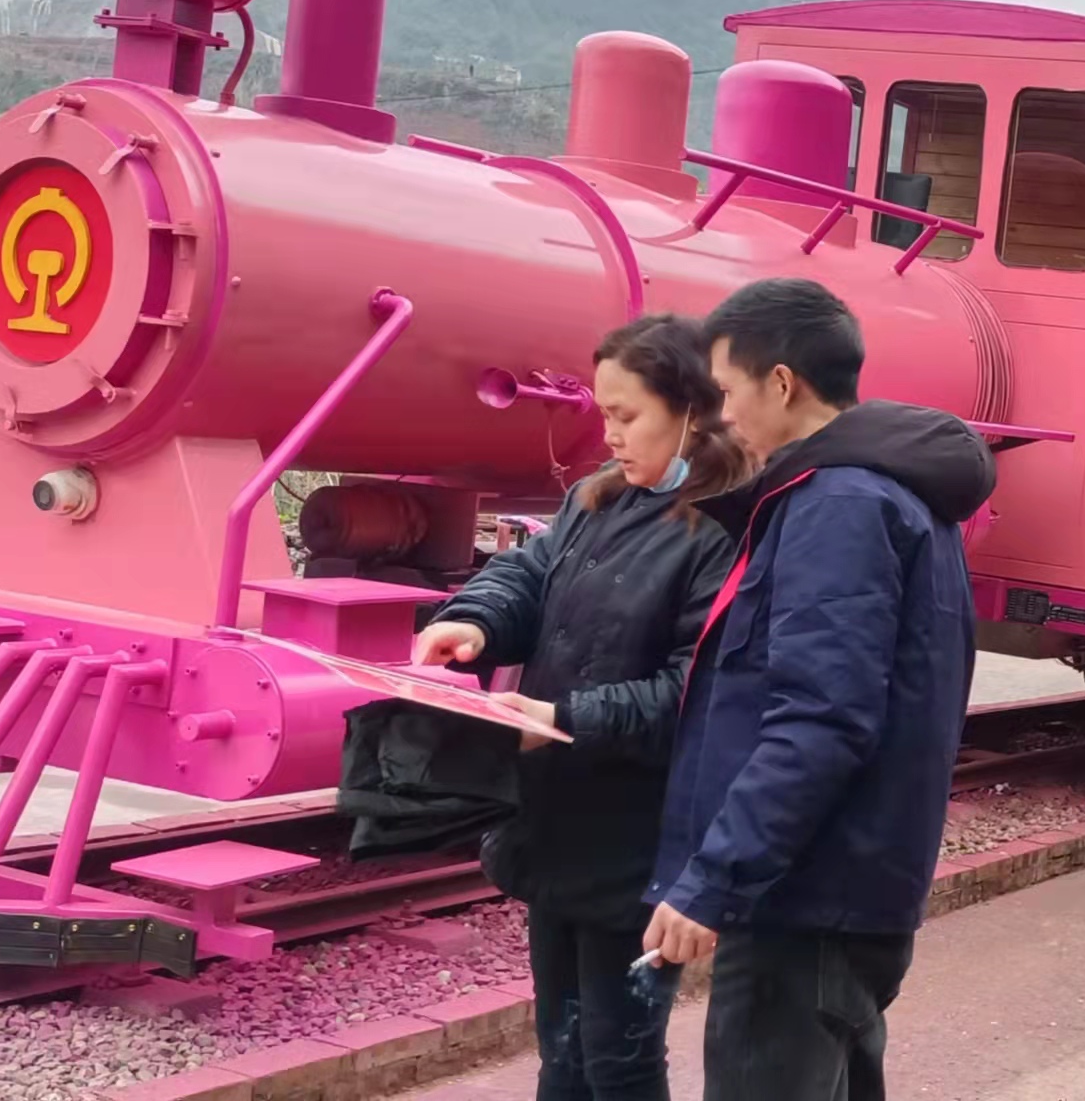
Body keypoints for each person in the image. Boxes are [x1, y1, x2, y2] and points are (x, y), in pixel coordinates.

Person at [639, 277, 994, 1101]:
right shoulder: (890, 492)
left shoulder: (837, 503)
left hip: (806, 900)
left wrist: (715, 880)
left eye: (726, 390)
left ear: (782, 382)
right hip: (846, 885)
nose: (721, 414)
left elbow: (821, 718)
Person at [410, 314, 751, 1101]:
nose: (611, 434)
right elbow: (527, 577)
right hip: (561, 821)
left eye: (627, 416)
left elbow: (696, 693)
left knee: (619, 1056)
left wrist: (563, 720)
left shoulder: (724, 528)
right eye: (605, 412)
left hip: (641, 839)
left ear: (692, 410)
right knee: (561, 1047)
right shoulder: (596, 500)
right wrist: (473, 620)